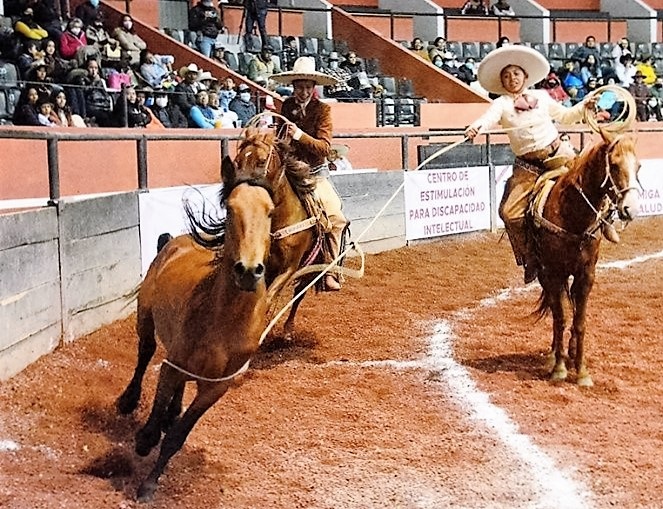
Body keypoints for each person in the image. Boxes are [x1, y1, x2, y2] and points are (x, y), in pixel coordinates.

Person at [464, 45, 608, 284]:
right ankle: (530, 258)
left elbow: (566, 116)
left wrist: (584, 106)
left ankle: (604, 222)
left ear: (525, 76)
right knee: (509, 213)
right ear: (502, 81)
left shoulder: (542, 97)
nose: (512, 79)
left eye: (516, 74)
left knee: (591, 183)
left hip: (560, 154)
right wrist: (475, 128)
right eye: (507, 76)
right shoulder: (501, 104)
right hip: (528, 166)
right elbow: (487, 120)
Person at [271, 57, 349, 291]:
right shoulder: (286, 106)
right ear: (293, 86)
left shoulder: (323, 110)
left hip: (316, 173)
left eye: (308, 87)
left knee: (335, 218)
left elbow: (325, 148)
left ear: (314, 88)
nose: (303, 92)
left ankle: (330, 271)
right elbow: (281, 138)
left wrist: (299, 136)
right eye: (299, 86)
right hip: (290, 170)